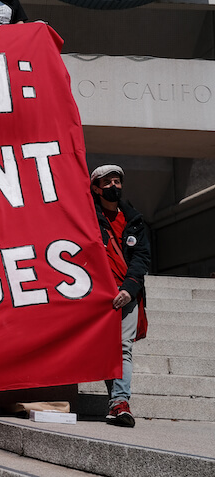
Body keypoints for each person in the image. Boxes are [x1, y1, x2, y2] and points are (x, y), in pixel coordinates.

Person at [90, 165, 150, 428]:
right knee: (105, 350)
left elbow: (142, 257)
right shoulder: (87, 216)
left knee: (123, 347)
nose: (113, 186)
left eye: (117, 181)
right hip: (97, 295)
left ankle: (120, 403)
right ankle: (115, 401)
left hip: (127, 293)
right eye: (107, 182)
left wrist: (129, 288)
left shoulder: (134, 220)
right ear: (96, 188)